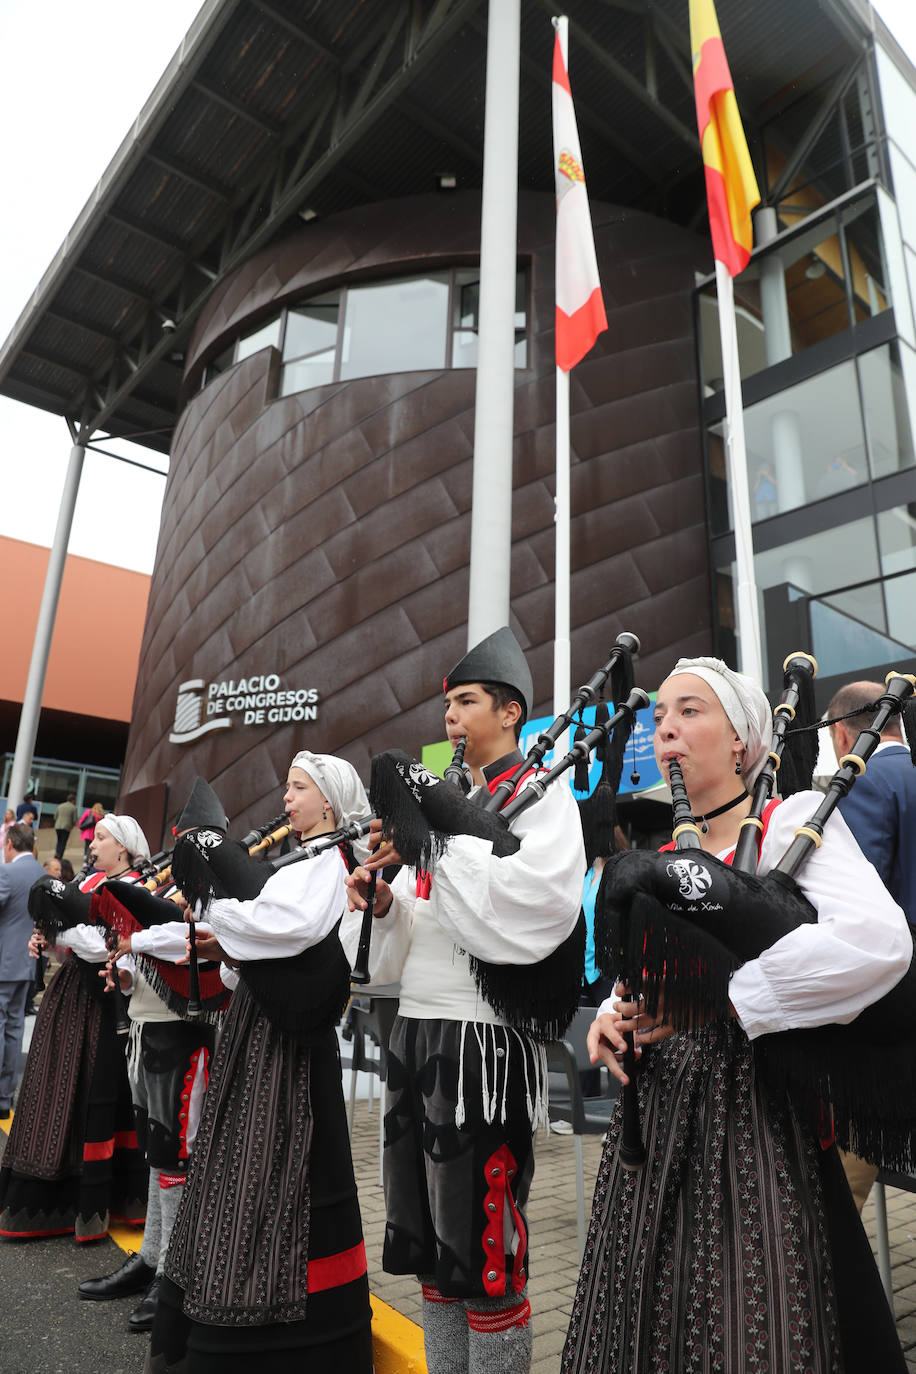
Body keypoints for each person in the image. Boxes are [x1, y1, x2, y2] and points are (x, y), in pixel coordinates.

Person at [561, 656, 911, 1374]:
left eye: (691, 711)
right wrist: (610, 1013)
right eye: (659, 717)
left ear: (744, 742)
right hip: (655, 1124)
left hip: (756, 1117)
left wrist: (728, 998)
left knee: (750, 1315)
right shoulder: (666, 852)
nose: (667, 729)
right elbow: (642, 977)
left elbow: (879, 945)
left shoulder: (787, 826)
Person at [341, 627, 585, 1374]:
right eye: (448, 704)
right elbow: (435, 922)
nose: (451, 717)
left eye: (468, 702)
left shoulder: (544, 800)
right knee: (429, 1247)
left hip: (480, 1041)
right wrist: (384, 906)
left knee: (482, 1253)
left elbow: (535, 905)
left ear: (511, 713)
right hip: (416, 1030)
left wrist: (439, 844)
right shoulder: (467, 803)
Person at [144, 753, 374, 1374]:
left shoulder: (330, 862)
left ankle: (274, 1335)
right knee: (237, 1163)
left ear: (328, 802)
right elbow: (261, 939)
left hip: (289, 1044)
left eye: (299, 788)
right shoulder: (297, 862)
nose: (288, 799)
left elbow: (287, 927)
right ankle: (211, 1298)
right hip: (257, 1026)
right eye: (290, 787)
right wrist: (222, 934)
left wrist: (219, 913)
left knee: (279, 1169)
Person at [0, 815, 149, 1243]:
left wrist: (59, 929)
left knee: (90, 1094)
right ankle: (48, 1199)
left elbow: (107, 942)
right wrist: (50, 942)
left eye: (101, 838)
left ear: (121, 848)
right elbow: (78, 941)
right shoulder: (89, 883)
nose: (93, 844)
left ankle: (91, 1199)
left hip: (103, 1004)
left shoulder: (136, 888)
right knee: (56, 1090)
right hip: (71, 996)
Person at [827, 679, 916, 1214]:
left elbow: (855, 910)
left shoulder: (862, 783)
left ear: (841, 734)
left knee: (838, 1199)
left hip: (889, 1025)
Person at [0, 824, 45, 1118]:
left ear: (11, 844)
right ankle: (4, 1099)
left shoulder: (7, 872)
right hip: (28, 963)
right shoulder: (44, 875)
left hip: (4, 962)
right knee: (14, 1029)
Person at [53, 794, 78, 861]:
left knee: (59, 840)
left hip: (58, 826)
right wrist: (72, 826)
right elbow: (75, 820)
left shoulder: (60, 806)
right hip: (66, 827)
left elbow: (55, 817)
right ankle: (59, 856)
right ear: (73, 800)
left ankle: (56, 854)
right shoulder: (73, 808)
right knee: (63, 842)